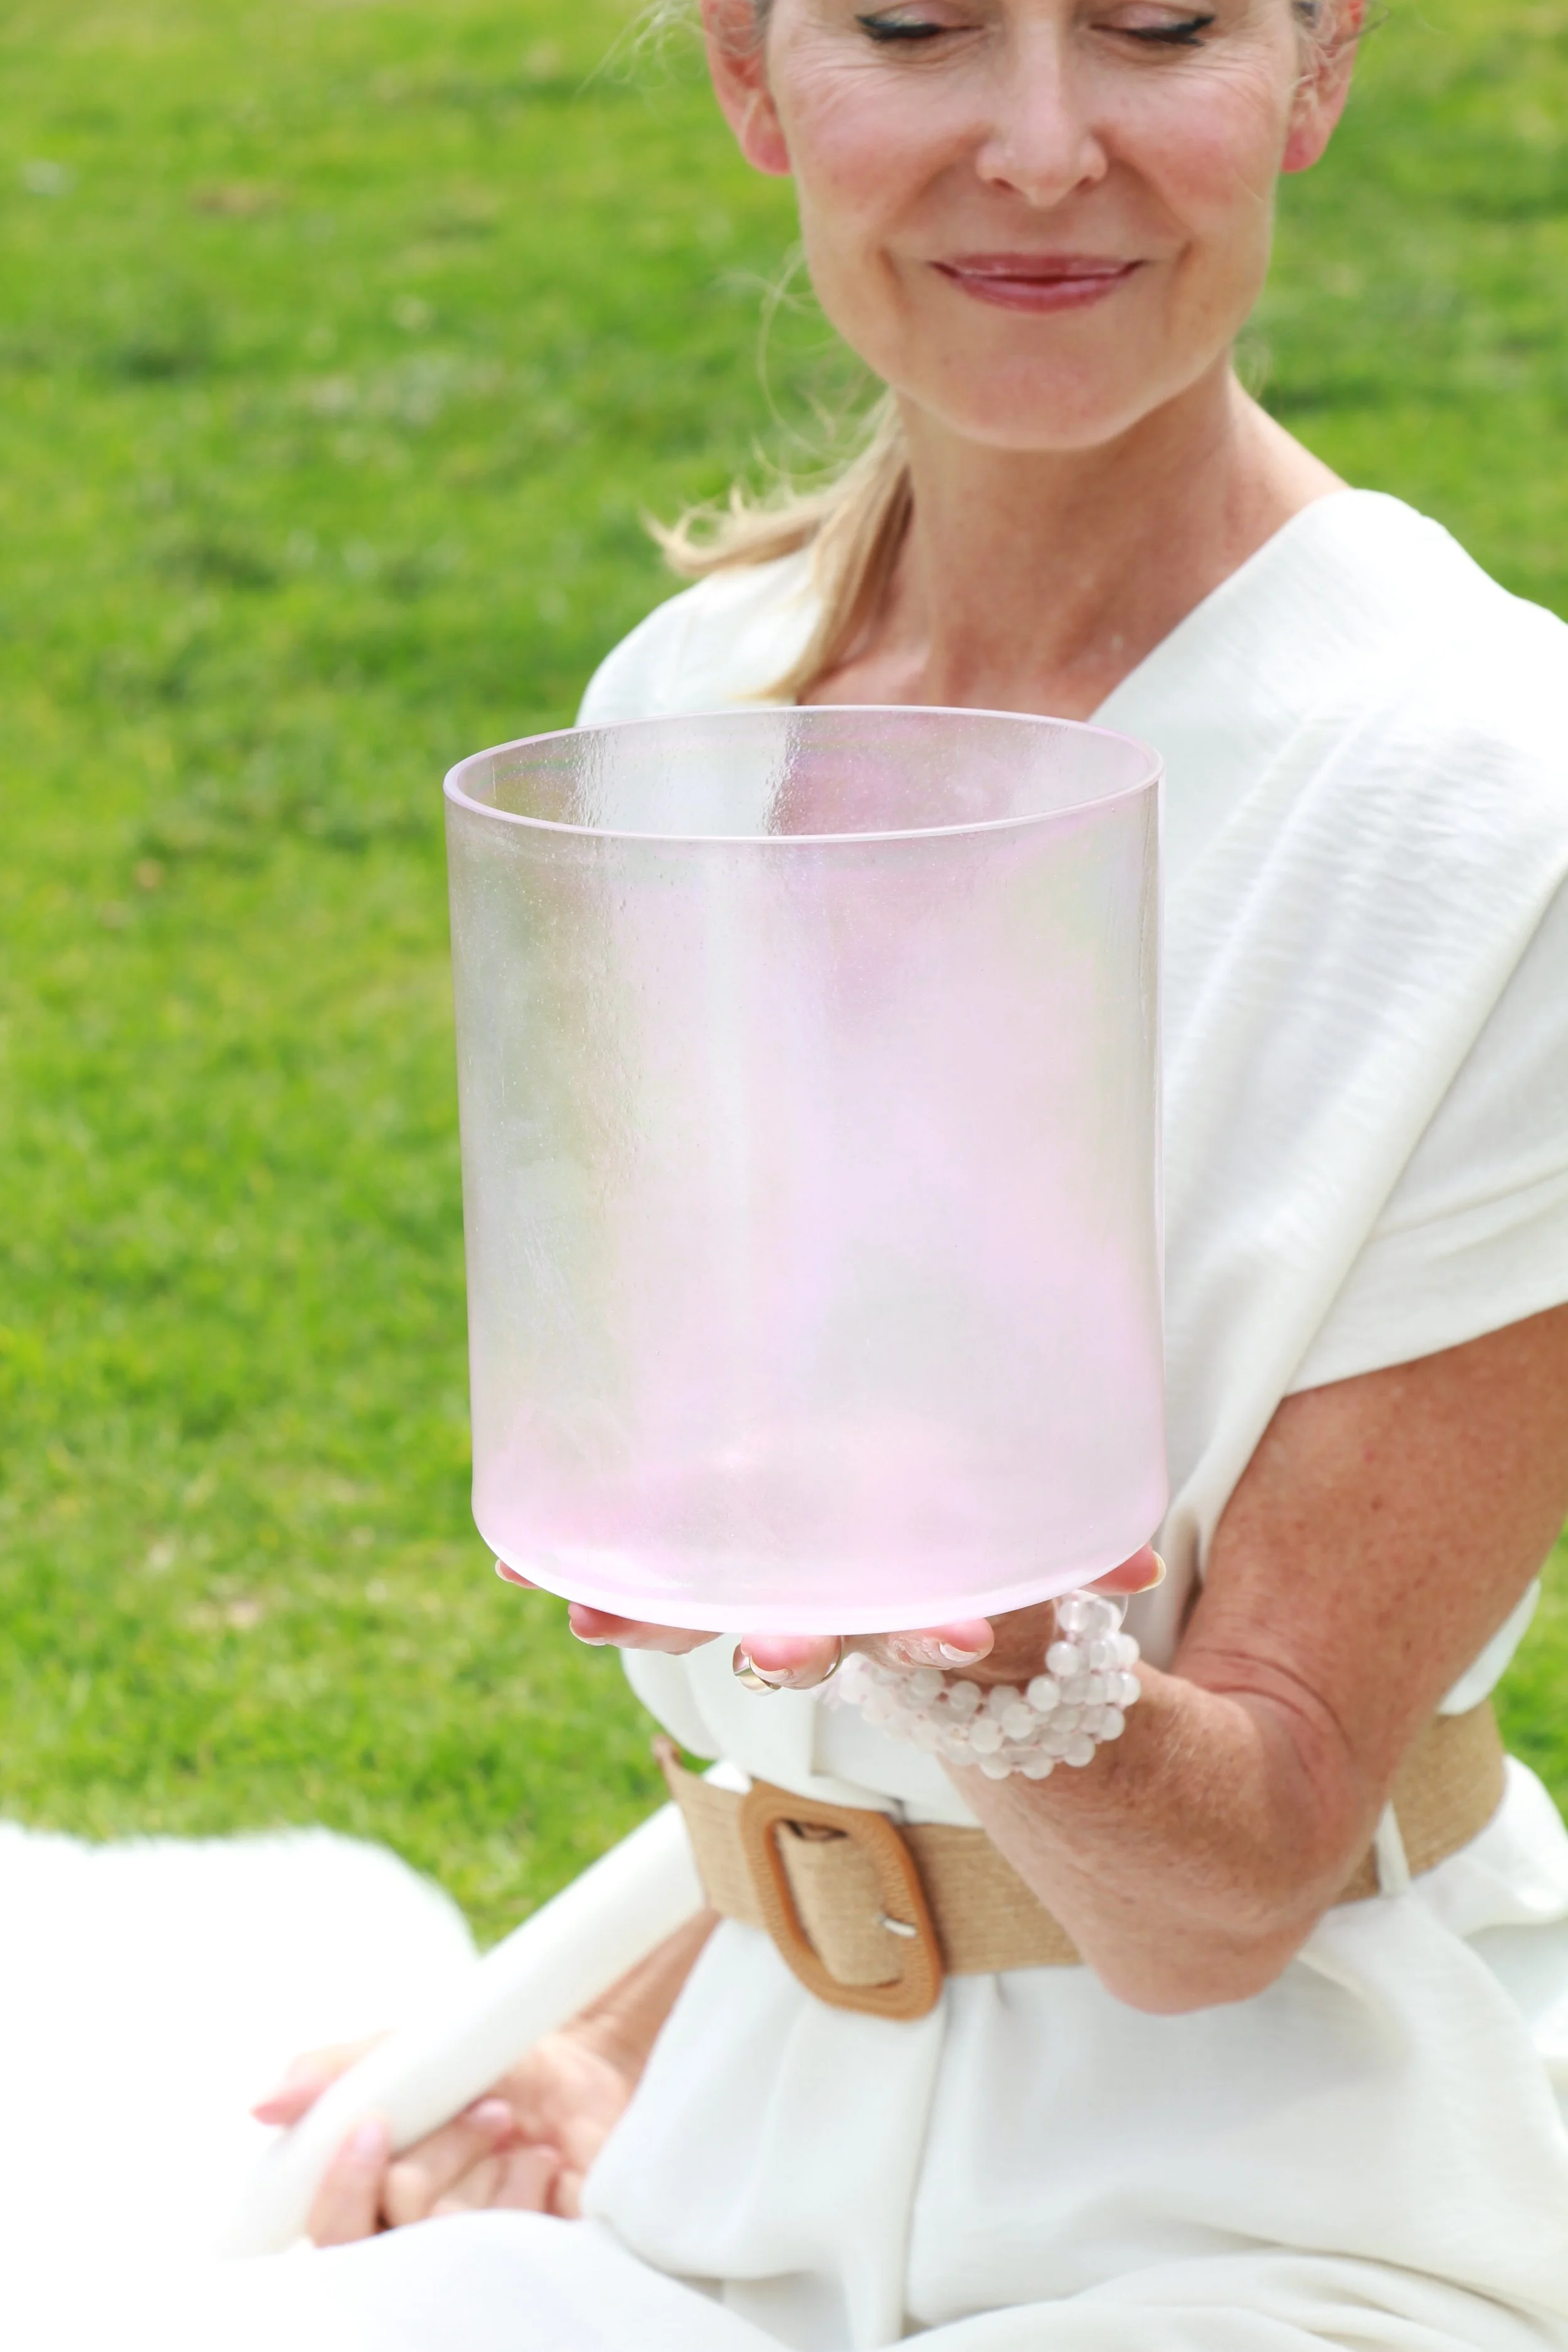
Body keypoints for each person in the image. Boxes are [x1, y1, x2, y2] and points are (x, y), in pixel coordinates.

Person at [99, 0, 1568, 2343]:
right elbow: (771, 1709)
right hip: (740, 2177)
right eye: (913, 27)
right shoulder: (675, 726)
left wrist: (960, 1617)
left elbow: (1230, 1888)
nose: (1042, 143)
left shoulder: (1495, 812)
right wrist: (610, 2040)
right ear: (752, 78)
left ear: (1313, 69)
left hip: (1298, 2218)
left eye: (1159, 27)